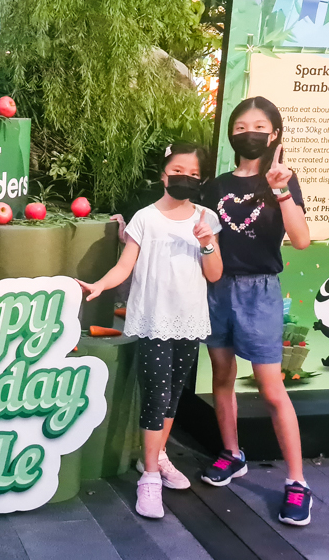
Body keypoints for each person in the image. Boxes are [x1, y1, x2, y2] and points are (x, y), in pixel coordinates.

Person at [79, 144, 222, 519]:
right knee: (156, 396)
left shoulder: (206, 218)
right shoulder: (145, 218)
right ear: (163, 174)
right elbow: (124, 266)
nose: (185, 178)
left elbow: (215, 274)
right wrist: (100, 285)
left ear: (201, 180)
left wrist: (207, 243)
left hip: (190, 320)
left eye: (193, 174)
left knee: (172, 395)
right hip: (155, 320)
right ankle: (151, 478)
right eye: (178, 171)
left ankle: (155, 457)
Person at [198, 96, 312, 526]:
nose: (250, 133)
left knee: (271, 389)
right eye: (241, 127)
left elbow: (301, 239)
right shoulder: (215, 186)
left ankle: (297, 482)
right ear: (231, 134)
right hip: (217, 288)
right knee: (222, 376)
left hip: (260, 292)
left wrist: (281, 190)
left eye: (260, 127)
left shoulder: (282, 180)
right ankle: (232, 454)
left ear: (275, 134)